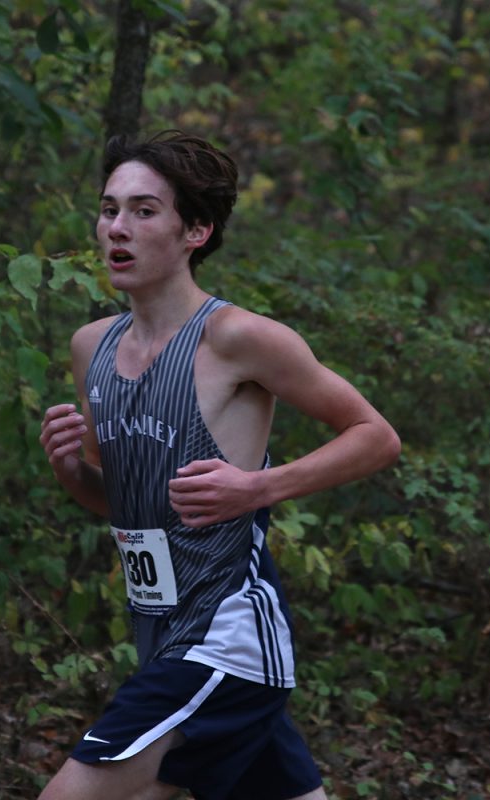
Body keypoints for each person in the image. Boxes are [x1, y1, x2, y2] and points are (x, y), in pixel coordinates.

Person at [37, 130, 400, 800]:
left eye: (145, 211)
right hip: (163, 635)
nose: (118, 228)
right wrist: (71, 473)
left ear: (195, 230)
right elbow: (126, 505)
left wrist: (257, 487)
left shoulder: (238, 339)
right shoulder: (92, 346)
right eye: (110, 208)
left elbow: (375, 435)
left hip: (226, 640)